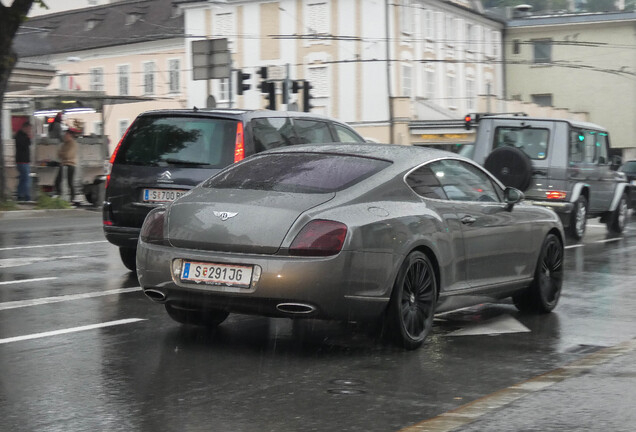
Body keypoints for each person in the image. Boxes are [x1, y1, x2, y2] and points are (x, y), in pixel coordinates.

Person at [55, 128, 79, 202]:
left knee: (70, 182)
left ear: (70, 135)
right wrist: (62, 154)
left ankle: (72, 198)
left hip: (70, 165)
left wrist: (62, 154)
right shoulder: (64, 144)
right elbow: (58, 154)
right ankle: (59, 194)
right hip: (63, 164)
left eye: (66, 134)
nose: (65, 136)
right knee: (57, 181)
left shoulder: (73, 144)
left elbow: (68, 155)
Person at [14, 120, 33, 202]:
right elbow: (22, 146)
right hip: (22, 161)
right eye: (28, 129)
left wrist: (28, 138)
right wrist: (27, 137)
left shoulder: (24, 136)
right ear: (25, 128)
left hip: (24, 160)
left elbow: (28, 144)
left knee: (23, 179)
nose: (29, 131)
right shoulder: (19, 136)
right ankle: (25, 196)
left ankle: (20, 195)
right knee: (26, 179)